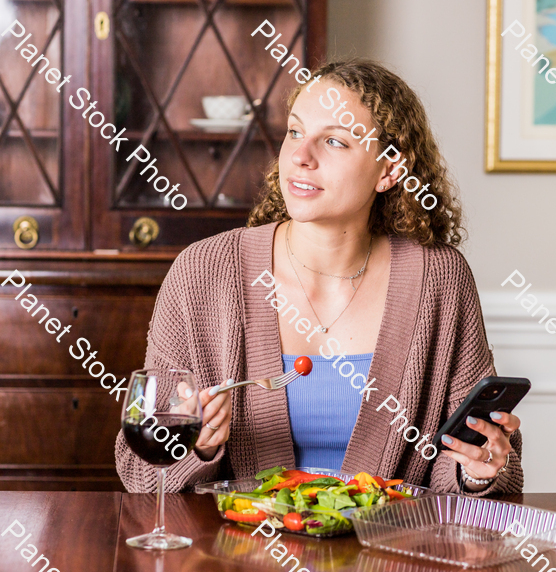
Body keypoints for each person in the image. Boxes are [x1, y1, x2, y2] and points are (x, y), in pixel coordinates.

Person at [114, 59, 524, 497]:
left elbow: (461, 459)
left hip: (385, 559)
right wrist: (198, 449)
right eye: (294, 132)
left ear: (389, 170)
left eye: (334, 141)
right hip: (242, 558)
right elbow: (137, 469)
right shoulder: (203, 271)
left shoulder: (439, 279)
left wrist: (477, 469)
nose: (300, 156)